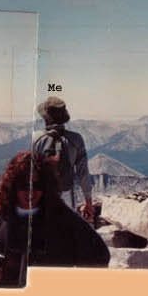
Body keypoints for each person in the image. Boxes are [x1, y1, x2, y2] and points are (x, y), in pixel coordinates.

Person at [0, 151, 110, 287]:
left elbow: (99, 255)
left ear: (46, 186)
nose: (31, 194)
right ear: (12, 186)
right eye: (24, 186)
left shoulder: (64, 219)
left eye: (37, 185)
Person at [29, 96, 97, 224]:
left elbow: (30, 171)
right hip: (66, 192)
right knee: (66, 229)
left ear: (45, 118)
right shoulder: (76, 139)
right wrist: (88, 202)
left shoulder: (35, 138)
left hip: (42, 195)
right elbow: (83, 173)